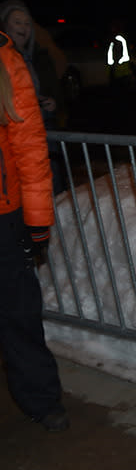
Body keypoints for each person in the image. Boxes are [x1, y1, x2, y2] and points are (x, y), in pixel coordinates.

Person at [0, 30, 69, 431]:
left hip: (5, 219)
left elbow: (28, 146)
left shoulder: (7, 61)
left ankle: (41, 400)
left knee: (19, 314)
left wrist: (37, 219)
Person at [0, 0, 66, 192]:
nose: (24, 27)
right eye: (17, 22)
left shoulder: (38, 56)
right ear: (5, 25)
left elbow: (55, 90)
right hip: (17, 139)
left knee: (50, 187)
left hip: (44, 132)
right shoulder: (5, 60)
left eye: (27, 23)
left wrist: (53, 103)